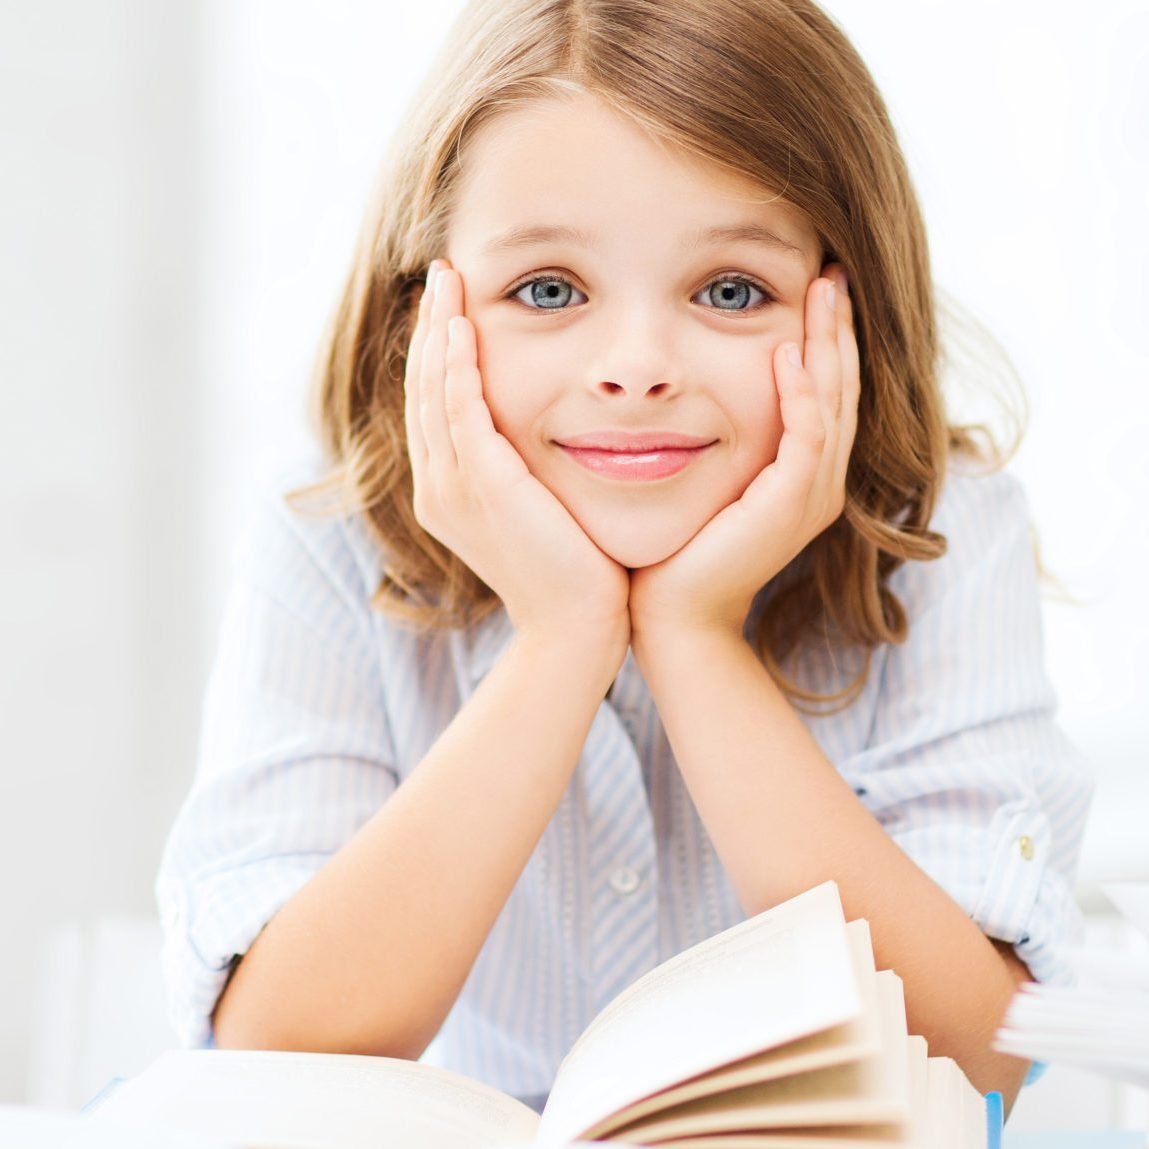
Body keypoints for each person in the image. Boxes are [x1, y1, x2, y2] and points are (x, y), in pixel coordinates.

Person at [156, 0, 1093, 1118]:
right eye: (548, 290)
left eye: (731, 291)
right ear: (426, 324)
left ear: (849, 310)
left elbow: (975, 1052)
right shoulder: (327, 539)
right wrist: (561, 638)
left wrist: (695, 641)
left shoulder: (946, 535)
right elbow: (273, 1040)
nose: (636, 367)